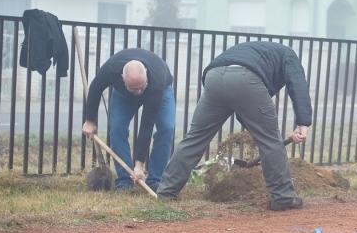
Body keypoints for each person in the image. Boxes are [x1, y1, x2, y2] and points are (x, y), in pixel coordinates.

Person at [157, 41, 311, 210]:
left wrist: (259, 129)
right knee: (271, 141)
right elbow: (298, 85)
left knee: (195, 137)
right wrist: (303, 123)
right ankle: (283, 197)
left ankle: (166, 192)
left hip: (214, 77)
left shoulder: (256, 50)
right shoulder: (289, 55)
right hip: (245, 77)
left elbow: (245, 107)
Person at [82, 48, 175, 192]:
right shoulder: (111, 69)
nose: (139, 92)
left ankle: (155, 181)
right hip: (124, 96)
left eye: (141, 87)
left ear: (146, 72)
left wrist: (139, 165)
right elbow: (95, 89)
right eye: (134, 88)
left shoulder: (156, 80)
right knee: (117, 128)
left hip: (161, 90)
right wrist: (90, 121)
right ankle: (125, 181)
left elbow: (146, 125)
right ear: (122, 78)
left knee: (166, 128)